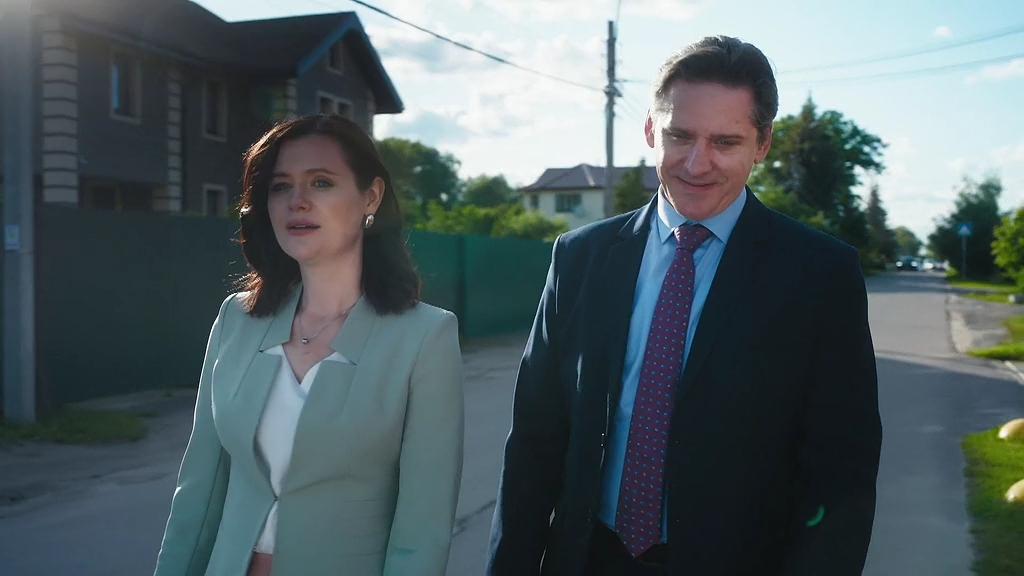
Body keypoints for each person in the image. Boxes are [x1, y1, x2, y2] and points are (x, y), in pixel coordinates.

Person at [486, 36, 882, 576]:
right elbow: (535, 443)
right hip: (589, 559)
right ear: (651, 130)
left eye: (725, 142)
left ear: (762, 144)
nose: (697, 164)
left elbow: (841, 472)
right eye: (680, 136)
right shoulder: (580, 258)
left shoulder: (819, 275)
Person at [153, 114, 465, 576]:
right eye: (280, 186)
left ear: (371, 196)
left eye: (321, 182)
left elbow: (422, 530)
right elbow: (198, 492)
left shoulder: (425, 336)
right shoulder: (237, 320)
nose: (297, 201)